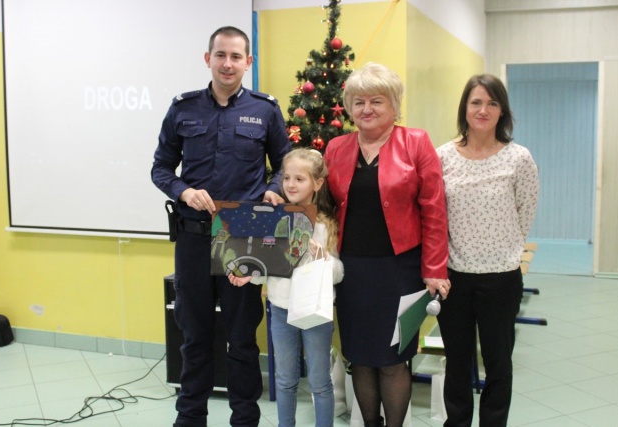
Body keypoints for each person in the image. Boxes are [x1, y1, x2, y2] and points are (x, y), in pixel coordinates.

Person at [151, 26, 291, 427]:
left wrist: (274, 190)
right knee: (194, 338)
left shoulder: (265, 110)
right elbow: (161, 168)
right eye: (220, 55)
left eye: (235, 57)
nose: (227, 64)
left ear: (248, 62)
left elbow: (284, 164)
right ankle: (190, 418)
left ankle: (244, 420)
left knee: (242, 339)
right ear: (207, 58)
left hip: (242, 238)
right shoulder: (183, 108)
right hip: (193, 239)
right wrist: (183, 190)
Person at [323, 62, 450, 427]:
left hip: (400, 271)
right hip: (352, 273)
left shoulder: (416, 142)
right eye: (359, 102)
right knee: (360, 358)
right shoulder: (336, 148)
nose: (367, 109)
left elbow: (434, 210)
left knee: (394, 360)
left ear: (394, 105)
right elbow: (323, 207)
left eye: (376, 101)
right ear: (349, 107)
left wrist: (435, 269)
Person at [436, 74, 539, 427]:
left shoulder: (519, 158)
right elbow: (434, 215)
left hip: (501, 278)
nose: (483, 110)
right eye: (476, 102)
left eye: (492, 103)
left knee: (498, 363)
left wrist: (502, 249)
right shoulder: (442, 156)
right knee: (457, 361)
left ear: (502, 111)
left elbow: (525, 212)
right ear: (464, 108)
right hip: (454, 278)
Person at [230, 148, 344, 427]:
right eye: (287, 178)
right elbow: (268, 266)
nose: (291, 185)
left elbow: (339, 273)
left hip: (315, 312)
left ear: (317, 183)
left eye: (300, 179)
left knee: (319, 381)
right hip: (280, 309)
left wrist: (322, 258)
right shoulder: (273, 219)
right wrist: (250, 275)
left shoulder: (326, 224)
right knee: (284, 379)